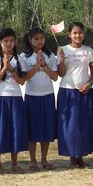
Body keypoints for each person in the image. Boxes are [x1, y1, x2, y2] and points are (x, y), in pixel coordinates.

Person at [56, 22, 93, 169]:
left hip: (84, 91)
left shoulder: (89, 51)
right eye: (74, 33)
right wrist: (61, 59)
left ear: (84, 34)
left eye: (80, 33)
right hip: (67, 91)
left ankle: (81, 156)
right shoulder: (63, 50)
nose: (77, 35)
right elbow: (61, 73)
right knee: (70, 126)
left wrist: (89, 85)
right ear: (69, 34)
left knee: (83, 125)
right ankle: (72, 157)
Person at [18, 27, 59, 171]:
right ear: (30, 40)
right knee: (32, 130)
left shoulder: (50, 56)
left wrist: (44, 65)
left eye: (41, 38)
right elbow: (24, 78)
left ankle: (44, 159)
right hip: (32, 96)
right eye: (36, 39)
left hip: (47, 96)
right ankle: (32, 160)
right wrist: (36, 65)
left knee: (46, 129)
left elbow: (55, 77)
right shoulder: (24, 57)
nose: (39, 41)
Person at [0, 28, 27, 174]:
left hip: (16, 98)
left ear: (15, 42)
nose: (9, 43)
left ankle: (14, 163)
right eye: (5, 41)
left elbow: (21, 81)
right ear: (0, 42)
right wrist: (4, 68)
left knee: (15, 129)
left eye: (11, 40)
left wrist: (11, 68)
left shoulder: (20, 59)